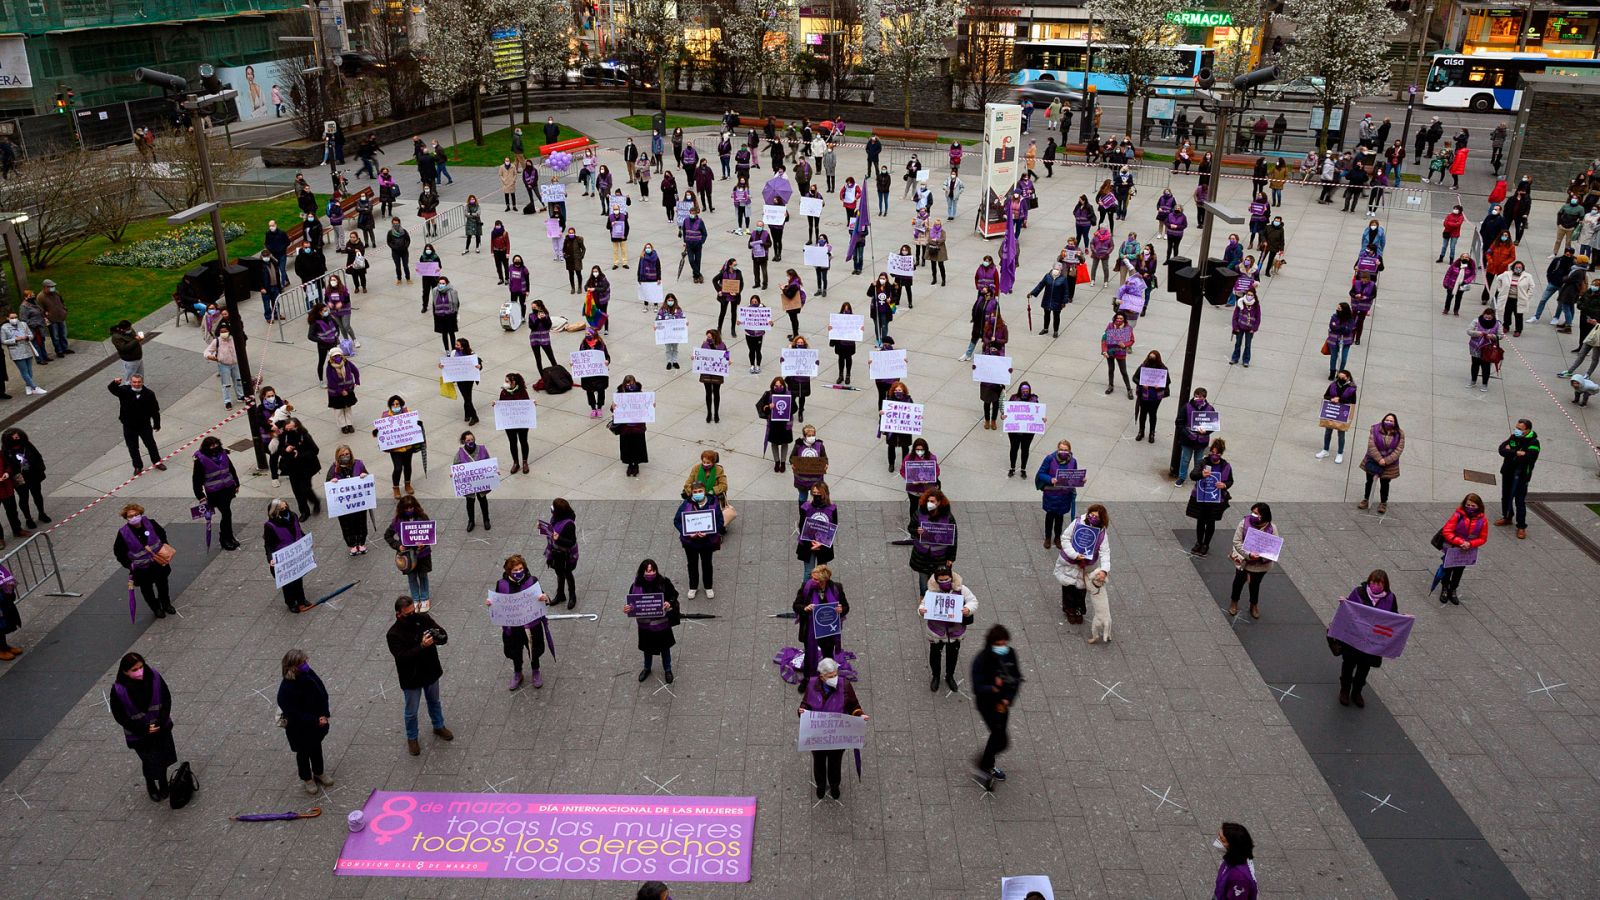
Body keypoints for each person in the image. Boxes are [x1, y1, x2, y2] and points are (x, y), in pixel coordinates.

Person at [386, 596, 452, 755]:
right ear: (398, 614)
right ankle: (412, 737)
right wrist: (422, 646)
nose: (412, 615)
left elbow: (442, 634)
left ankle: (438, 725)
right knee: (411, 711)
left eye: (413, 611)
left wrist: (439, 636)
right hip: (411, 677)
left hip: (430, 670)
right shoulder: (393, 634)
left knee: (434, 701)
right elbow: (402, 656)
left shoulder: (423, 619)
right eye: (408, 613)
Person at [110, 652, 178, 801]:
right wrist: (143, 729)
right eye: (134, 670)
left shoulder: (154, 676)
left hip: (161, 729)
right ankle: (151, 784)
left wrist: (160, 721)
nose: (139, 671)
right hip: (140, 735)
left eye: (140, 667)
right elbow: (120, 716)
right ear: (125, 672)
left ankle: (162, 781)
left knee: (164, 756)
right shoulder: (118, 690)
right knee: (149, 760)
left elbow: (166, 699)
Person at [798, 657, 865, 800]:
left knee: (835, 763)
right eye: (830, 676)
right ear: (822, 677)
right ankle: (821, 785)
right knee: (819, 762)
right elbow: (805, 704)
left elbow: (854, 706)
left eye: (835, 674)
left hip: (837, 737)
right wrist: (802, 711)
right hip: (818, 737)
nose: (834, 678)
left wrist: (859, 715)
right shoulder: (811, 685)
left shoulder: (845, 685)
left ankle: (835, 785)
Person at [488, 554, 552, 692]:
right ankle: (518, 673)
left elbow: (545, 597)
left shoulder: (532, 580)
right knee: (515, 651)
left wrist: (544, 597)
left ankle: (536, 670)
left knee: (533, 650)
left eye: (520, 568)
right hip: (513, 628)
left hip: (532, 626)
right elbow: (499, 603)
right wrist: (491, 604)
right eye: (515, 570)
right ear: (508, 571)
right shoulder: (502, 584)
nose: (518, 572)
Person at [971, 624, 1021, 791]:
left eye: (1004, 643)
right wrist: (993, 687)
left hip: (1002, 704)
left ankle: (985, 765)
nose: (1002, 647)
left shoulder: (1010, 654)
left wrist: (1008, 698)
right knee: (1000, 739)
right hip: (987, 705)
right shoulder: (982, 660)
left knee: (998, 738)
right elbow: (977, 687)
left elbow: (1016, 677)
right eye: (998, 644)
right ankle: (984, 766)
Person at [276, 649, 333, 794]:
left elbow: (321, 691)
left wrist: (324, 714)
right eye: (302, 663)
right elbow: (294, 714)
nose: (306, 665)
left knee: (316, 747)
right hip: (300, 729)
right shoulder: (286, 689)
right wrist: (315, 720)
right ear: (293, 666)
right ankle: (307, 778)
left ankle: (319, 772)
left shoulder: (308, 674)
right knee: (303, 753)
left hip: (316, 723)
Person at [792, 563, 849, 689]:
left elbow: (846, 607)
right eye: (812, 577)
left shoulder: (836, 588)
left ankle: (829, 679)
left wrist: (841, 610)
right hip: (811, 629)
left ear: (824, 580)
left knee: (828, 655)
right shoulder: (806, 587)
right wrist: (805, 608)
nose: (812, 581)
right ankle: (808, 679)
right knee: (809, 655)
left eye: (816, 579)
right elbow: (796, 605)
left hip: (828, 630)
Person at [113, 503, 174, 619]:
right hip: (141, 569)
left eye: (136, 514)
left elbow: (162, 534)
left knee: (163, 584)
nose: (134, 517)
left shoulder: (151, 523)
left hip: (158, 563)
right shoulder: (123, 533)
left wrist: (164, 548)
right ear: (126, 518)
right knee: (147, 589)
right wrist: (129, 565)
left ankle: (166, 604)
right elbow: (118, 551)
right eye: (130, 516)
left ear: (141, 514)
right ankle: (155, 608)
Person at [190, 435, 240, 551]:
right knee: (227, 514)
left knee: (227, 513)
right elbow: (196, 480)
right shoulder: (200, 460)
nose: (215, 447)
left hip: (227, 488)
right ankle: (225, 539)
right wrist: (201, 496)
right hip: (215, 493)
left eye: (216, 445)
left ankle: (229, 536)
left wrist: (236, 483)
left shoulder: (223, 454)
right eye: (212, 446)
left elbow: (231, 469)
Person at [263, 498, 313, 614]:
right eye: (281, 507)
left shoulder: (293, 516)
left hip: (295, 554)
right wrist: (270, 558)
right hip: (283, 558)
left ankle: (301, 599)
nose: (284, 507)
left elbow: (298, 531)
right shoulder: (270, 526)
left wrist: (306, 541)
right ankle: (291, 602)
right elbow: (268, 545)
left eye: (284, 505)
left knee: (298, 577)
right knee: (288, 583)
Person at [1438, 493, 1488, 606]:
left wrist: (1470, 544)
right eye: (1468, 505)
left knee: (1459, 570)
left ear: (1478, 506)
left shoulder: (1483, 520)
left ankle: (1453, 589)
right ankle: (1445, 588)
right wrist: (1460, 542)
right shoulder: (1458, 515)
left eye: (1473, 506)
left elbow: (1483, 538)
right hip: (1452, 548)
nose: (1470, 508)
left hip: (1466, 551)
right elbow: (1447, 531)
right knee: (1447, 569)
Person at [675, 481, 724, 598]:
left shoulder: (713, 503)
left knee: (707, 564)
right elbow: (677, 521)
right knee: (692, 564)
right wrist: (687, 533)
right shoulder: (686, 504)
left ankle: (708, 587)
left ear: (704, 491)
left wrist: (709, 531)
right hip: (690, 542)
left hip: (707, 542)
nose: (697, 494)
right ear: (691, 493)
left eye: (700, 491)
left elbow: (720, 521)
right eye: (695, 492)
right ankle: (693, 586)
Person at [108, 375, 163, 477]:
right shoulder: (124, 391)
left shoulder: (149, 394)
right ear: (131, 382)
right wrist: (114, 383)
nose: (136, 384)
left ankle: (157, 462)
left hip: (144, 425)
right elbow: (112, 389)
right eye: (134, 382)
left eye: (138, 382)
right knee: (133, 447)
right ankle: (137, 466)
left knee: (151, 444)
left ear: (142, 382)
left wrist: (157, 423)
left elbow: (155, 410)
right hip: (129, 426)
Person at [1184, 439, 1232, 556]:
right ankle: (1199, 542)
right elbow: (1192, 475)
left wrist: (1224, 485)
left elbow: (1230, 480)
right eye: (1212, 452)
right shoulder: (1203, 462)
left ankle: (1206, 544)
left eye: (1217, 453)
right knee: (1200, 521)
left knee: (1210, 522)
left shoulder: (1226, 466)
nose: (1214, 455)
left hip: (1215, 499)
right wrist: (1201, 474)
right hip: (1201, 497)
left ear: (1221, 454)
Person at [385, 495, 433, 610]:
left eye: (411, 507)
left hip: (423, 554)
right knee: (411, 577)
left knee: (423, 575)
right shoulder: (397, 522)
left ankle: (425, 598)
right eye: (406, 508)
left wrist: (424, 543)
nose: (409, 510)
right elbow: (387, 535)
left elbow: (429, 534)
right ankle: (416, 599)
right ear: (402, 508)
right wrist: (398, 546)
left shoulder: (423, 517)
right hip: (407, 556)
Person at [1228, 503, 1275, 619]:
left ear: (1264, 515)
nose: (1253, 515)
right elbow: (1237, 542)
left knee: (1255, 584)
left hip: (1260, 565)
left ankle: (1253, 605)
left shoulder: (1272, 528)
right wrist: (1249, 554)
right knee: (1238, 582)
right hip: (1244, 561)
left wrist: (1260, 556)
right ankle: (1234, 602)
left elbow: (1273, 548)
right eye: (1252, 512)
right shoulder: (1244, 523)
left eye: (1256, 513)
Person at [1495, 419, 1539, 539]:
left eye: (1520, 429)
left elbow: (1528, 458)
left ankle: (1521, 526)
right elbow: (1501, 449)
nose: (1517, 430)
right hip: (1508, 473)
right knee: (1506, 497)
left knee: (1520, 501)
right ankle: (1507, 517)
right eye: (1516, 428)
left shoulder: (1534, 443)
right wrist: (1516, 453)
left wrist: (1511, 453)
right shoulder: (1513, 437)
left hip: (1521, 476)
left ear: (1527, 430)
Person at [910, 489, 958, 598]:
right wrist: (916, 532)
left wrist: (951, 557)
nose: (929, 503)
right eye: (928, 500)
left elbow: (953, 538)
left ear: (939, 502)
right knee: (923, 579)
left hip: (940, 556)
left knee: (939, 579)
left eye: (932, 501)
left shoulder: (948, 518)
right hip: (922, 555)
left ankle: (937, 598)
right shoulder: (920, 513)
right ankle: (924, 598)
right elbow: (911, 528)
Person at [374, 395, 422, 499]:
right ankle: (396, 488)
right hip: (395, 449)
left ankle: (407, 484)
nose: (395, 406)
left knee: (408, 466)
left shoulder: (407, 413)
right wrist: (377, 432)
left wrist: (418, 424)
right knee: (398, 468)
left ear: (401, 404)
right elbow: (380, 431)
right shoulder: (386, 417)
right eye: (393, 404)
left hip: (408, 447)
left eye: (397, 404)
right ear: (390, 406)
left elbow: (415, 425)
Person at [325, 445, 370, 556]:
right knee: (347, 524)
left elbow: (367, 478)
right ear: (338, 456)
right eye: (342, 455)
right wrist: (332, 481)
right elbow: (328, 483)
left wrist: (365, 475)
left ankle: (361, 542)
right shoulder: (334, 468)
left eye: (347, 454)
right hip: (344, 505)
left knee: (361, 522)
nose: (345, 456)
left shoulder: (358, 464)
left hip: (358, 502)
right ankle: (352, 544)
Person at [274, 417, 321, 520]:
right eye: (287, 429)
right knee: (297, 491)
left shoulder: (305, 436)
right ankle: (304, 511)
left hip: (306, 468)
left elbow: (315, 450)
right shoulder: (284, 436)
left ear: (297, 426)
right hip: (292, 468)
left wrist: (299, 454)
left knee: (305, 489)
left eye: (291, 429)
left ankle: (315, 502)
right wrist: (286, 449)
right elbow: (279, 450)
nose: (289, 431)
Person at [1357, 413, 1405, 514]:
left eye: (1391, 421)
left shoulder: (1400, 434)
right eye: (1387, 420)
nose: (1389, 422)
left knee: (1385, 484)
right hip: (1373, 460)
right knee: (1369, 481)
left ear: (1395, 422)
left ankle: (1383, 503)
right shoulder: (1375, 429)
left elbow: (1399, 450)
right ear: (1383, 420)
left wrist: (1386, 460)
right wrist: (1379, 459)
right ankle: (1366, 499)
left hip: (1389, 464)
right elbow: (1371, 445)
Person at [1, 429, 46, 532]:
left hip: (33, 475)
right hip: (19, 478)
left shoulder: (26, 445)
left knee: (37, 494)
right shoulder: (6, 450)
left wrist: (40, 468)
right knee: (24, 498)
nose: (17, 439)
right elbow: (7, 465)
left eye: (18, 437)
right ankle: (28, 519)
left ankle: (42, 513)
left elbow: (37, 456)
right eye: (15, 438)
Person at [543, 498, 580, 609]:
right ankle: (560, 594)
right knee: (559, 574)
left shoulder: (569, 525)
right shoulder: (555, 518)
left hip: (567, 557)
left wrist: (558, 538)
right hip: (555, 554)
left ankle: (572, 596)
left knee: (568, 574)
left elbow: (571, 542)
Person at [796, 483, 837, 581]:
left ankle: (821, 592)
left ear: (825, 493)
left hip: (823, 545)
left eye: (819, 493)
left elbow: (833, 527)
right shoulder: (806, 507)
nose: (816, 495)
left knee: (822, 573)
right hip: (807, 544)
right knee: (809, 572)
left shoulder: (832, 508)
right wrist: (812, 542)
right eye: (814, 492)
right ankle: (807, 593)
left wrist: (821, 543)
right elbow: (802, 526)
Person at [1175, 388, 1214, 484]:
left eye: (1200, 397)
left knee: (1199, 461)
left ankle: (1198, 478)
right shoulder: (1187, 407)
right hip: (1188, 440)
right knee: (1185, 460)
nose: (1197, 398)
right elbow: (1179, 423)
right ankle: (1182, 477)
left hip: (1201, 441)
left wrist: (1206, 431)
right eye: (1196, 396)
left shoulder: (1210, 409)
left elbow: (1213, 425)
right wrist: (1188, 433)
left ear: (1205, 398)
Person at [613, 374, 650, 477]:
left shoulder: (640, 394)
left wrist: (651, 405)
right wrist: (613, 406)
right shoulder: (620, 394)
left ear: (635, 382)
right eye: (628, 383)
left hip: (637, 427)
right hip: (625, 427)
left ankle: (636, 465)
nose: (630, 385)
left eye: (631, 382)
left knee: (637, 446)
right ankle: (630, 465)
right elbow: (614, 409)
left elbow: (646, 406)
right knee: (627, 447)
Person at [1317, 370, 1357, 462]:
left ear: (1348, 377)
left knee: (1341, 434)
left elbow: (1352, 402)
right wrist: (1332, 399)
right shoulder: (1333, 385)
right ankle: (1325, 450)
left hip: (1342, 413)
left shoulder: (1352, 388)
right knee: (1328, 432)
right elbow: (1326, 396)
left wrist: (1340, 399)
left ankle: (1340, 453)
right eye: (1339, 377)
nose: (1340, 379)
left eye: (1343, 378)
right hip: (1332, 411)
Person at [757, 375, 794, 472]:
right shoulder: (769, 394)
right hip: (774, 424)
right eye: (776, 385)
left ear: (783, 386)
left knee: (784, 443)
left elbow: (795, 408)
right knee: (774, 443)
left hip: (785, 424)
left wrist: (789, 406)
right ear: (772, 385)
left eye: (780, 385)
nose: (778, 387)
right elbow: (763, 409)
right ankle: (777, 462)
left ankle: (783, 462)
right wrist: (769, 406)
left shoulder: (789, 394)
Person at [1213, 822, 1259, 898]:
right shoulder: (1233, 859)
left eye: (1222, 840)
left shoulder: (1239, 878)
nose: (1218, 840)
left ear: (1233, 846)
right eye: (1219, 836)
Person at [1489, 259, 1533, 337]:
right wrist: (1500, 289)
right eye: (1516, 267)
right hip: (1508, 298)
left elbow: (1532, 287)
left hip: (1519, 299)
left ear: (1523, 268)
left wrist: (1527, 296)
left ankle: (1518, 330)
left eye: (1520, 267)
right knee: (1507, 313)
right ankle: (1506, 326)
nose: (1518, 268)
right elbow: (1498, 279)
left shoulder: (1528, 276)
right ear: (1513, 267)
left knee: (1518, 315)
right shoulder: (1506, 274)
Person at [1468, 306, 1502, 392]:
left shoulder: (1497, 324)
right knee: (1475, 364)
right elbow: (1468, 331)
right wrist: (1477, 333)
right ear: (1483, 315)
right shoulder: (1476, 321)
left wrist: (1493, 336)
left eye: (1489, 318)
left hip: (1488, 349)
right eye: (1486, 317)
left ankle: (1484, 384)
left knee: (1486, 366)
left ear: (1493, 317)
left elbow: (1501, 335)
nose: (1487, 319)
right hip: (1475, 347)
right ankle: (1473, 380)